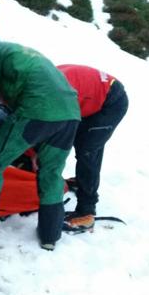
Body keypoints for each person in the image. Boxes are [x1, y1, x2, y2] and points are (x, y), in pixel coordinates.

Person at [0, 26, 80, 250]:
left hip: (37, 108)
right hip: (71, 113)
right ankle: (49, 236)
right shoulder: (15, 50)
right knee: (51, 172)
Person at [56, 64, 128, 233]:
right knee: (81, 140)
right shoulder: (43, 83)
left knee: (87, 151)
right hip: (90, 95)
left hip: (111, 101)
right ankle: (82, 181)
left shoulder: (55, 95)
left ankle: (86, 212)